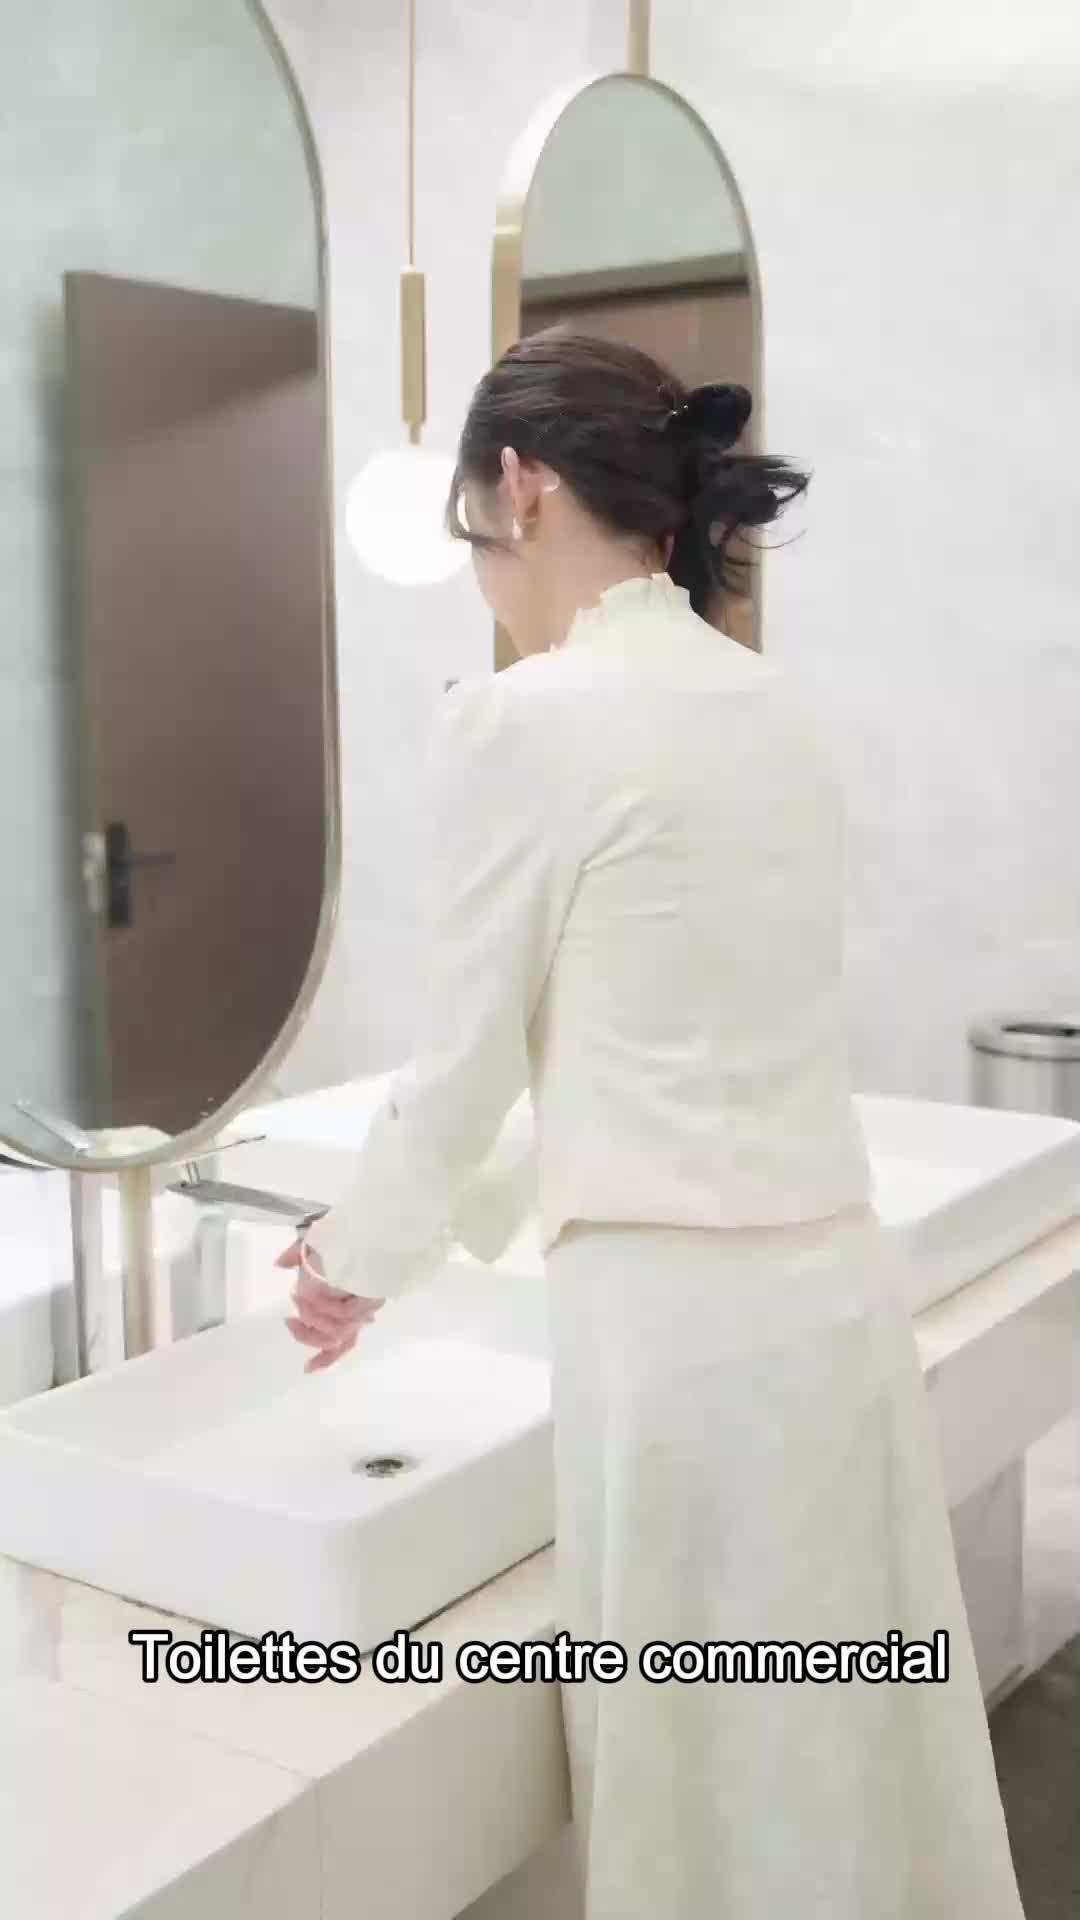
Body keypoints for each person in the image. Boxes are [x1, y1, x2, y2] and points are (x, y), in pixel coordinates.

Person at [277, 329, 1026, 1919]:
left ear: (523, 487)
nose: (480, 571)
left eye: (471, 530)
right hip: (836, 1312)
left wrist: (354, 1256)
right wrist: (408, 1230)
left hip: (676, 1344)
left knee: (708, 1794)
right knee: (852, 1767)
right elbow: (666, 1043)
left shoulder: (527, 720)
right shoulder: (774, 708)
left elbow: (466, 1063)